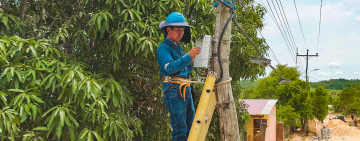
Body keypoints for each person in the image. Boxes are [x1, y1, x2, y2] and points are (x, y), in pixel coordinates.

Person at [156, 12, 201, 140]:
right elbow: (170, 68)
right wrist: (188, 56)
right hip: (174, 90)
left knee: (190, 127)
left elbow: (184, 69)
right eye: (177, 30)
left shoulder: (178, 48)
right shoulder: (163, 48)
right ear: (168, 29)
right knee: (180, 130)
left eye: (182, 30)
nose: (181, 33)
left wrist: (191, 61)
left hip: (185, 89)